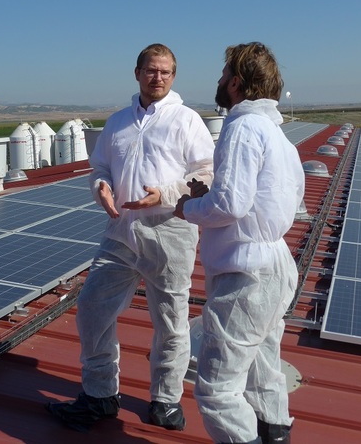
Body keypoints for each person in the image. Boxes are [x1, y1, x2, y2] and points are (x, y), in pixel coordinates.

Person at [46, 43, 215, 433]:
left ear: (174, 77)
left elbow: (206, 174)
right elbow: (100, 166)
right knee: (91, 309)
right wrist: (101, 186)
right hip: (120, 231)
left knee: (171, 321)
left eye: (166, 72)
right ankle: (100, 395)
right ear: (137, 72)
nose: (158, 78)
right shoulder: (118, 122)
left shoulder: (187, 121)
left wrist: (167, 193)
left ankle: (166, 400)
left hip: (170, 232)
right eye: (151, 70)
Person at [174, 42, 304, 444]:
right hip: (275, 265)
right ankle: (275, 430)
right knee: (264, 361)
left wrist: (189, 207)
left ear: (235, 83)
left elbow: (230, 204)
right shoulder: (278, 136)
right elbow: (279, 199)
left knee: (217, 389)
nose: (217, 80)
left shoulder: (243, 127)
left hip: (246, 273)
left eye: (222, 73)